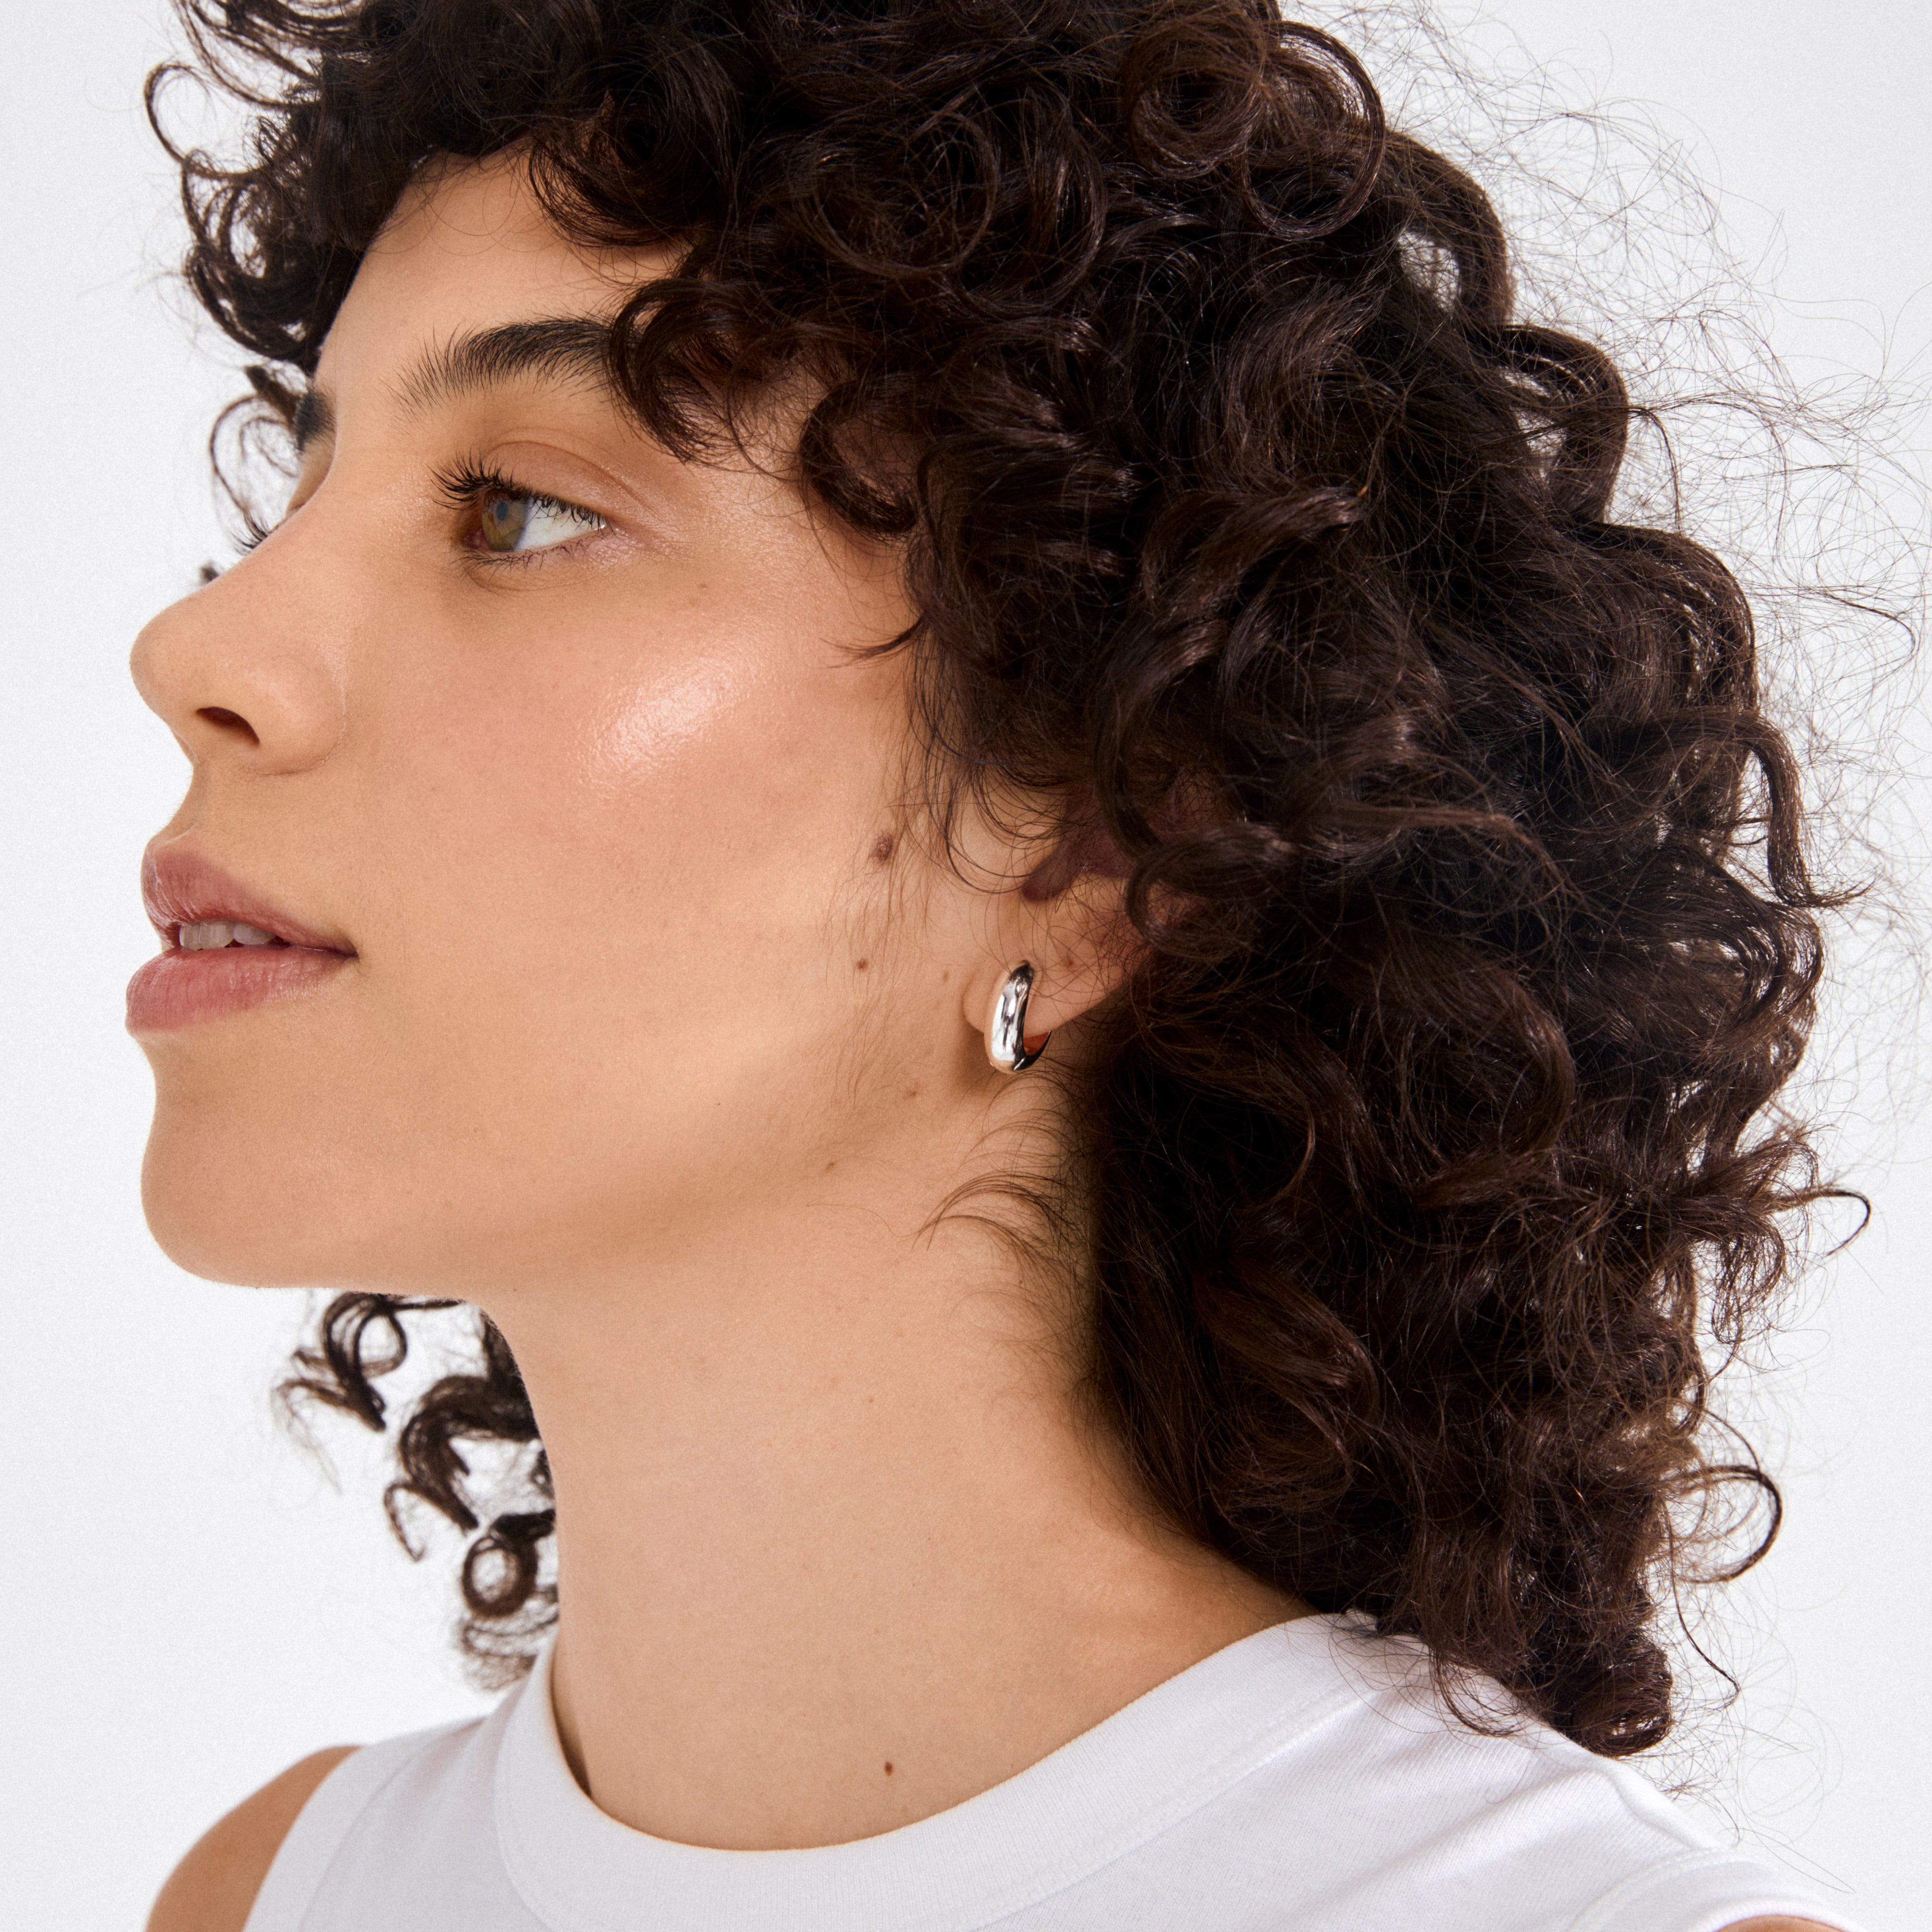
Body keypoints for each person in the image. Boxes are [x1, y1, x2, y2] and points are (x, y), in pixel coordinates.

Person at [129, 2, 1863, 1928]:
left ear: (1103, 839)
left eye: (521, 508)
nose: (201, 644)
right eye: (303, 485)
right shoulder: (266, 1894)